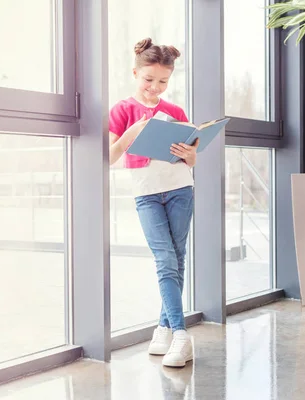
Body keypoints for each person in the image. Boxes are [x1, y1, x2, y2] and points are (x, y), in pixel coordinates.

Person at [108, 38, 199, 368]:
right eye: (148, 80)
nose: (154, 87)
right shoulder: (121, 110)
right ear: (135, 72)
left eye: (163, 81)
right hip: (146, 193)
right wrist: (133, 131)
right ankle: (180, 334)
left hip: (180, 188)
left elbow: (190, 157)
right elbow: (109, 155)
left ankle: (164, 328)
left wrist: (191, 156)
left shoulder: (175, 112)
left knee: (177, 257)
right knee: (164, 259)